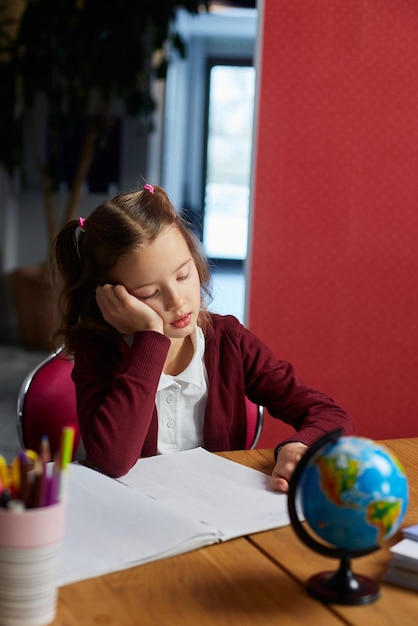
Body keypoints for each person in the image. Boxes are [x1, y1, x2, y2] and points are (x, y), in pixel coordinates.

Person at [50, 184, 355, 491]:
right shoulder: (100, 350)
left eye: (183, 275)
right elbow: (112, 461)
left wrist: (300, 446)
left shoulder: (229, 342)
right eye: (150, 293)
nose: (177, 301)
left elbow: (331, 415)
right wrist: (149, 338)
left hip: (215, 512)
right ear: (110, 298)